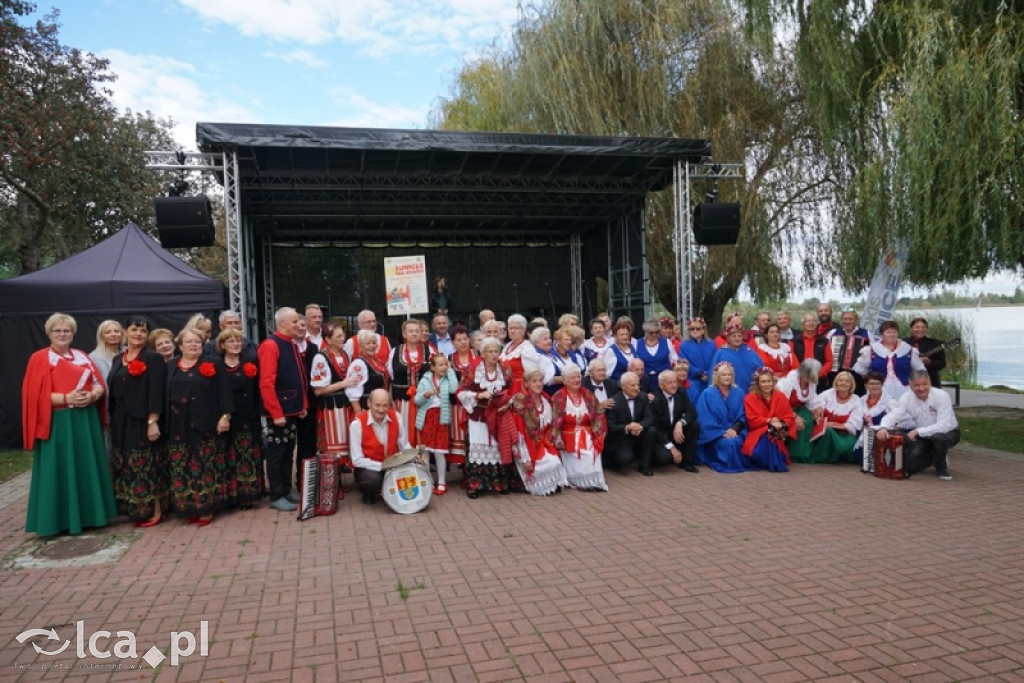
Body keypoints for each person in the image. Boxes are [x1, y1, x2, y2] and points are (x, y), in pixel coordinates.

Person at [22, 313, 116, 536]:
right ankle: (57, 521)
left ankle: (90, 516)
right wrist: (66, 398)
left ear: (73, 333)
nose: (62, 334)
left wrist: (93, 396)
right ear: (49, 333)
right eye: (58, 331)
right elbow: (33, 396)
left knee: (86, 466)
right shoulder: (40, 358)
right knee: (59, 468)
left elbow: (98, 384)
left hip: (85, 422)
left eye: (67, 331)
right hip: (58, 423)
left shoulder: (81, 355)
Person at [166, 328, 234, 526]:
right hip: (178, 424)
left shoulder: (213, 363)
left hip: (205, 421)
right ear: (180, 346)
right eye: (189, 342)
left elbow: (224, 392)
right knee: (182, 465)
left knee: (204, 465)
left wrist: (225, 416)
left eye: (197, 341)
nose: (194, 345)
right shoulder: (171, 365)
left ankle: (206, 507)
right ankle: (188, 506)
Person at [107, 315, 166, 527]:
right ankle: (135, 508)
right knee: (127, 465)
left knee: (146, 465)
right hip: (120, 420)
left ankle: (156, 510)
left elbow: (156, 393)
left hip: (142, 420)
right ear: (125, 332)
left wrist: (153, 421)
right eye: (134, 330)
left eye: (142, 331)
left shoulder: (152, 358)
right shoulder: (118, 359)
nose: (138, 334)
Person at [257, 307, 308, 512]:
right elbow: (266, 383)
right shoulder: (271, 345)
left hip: (292, 409)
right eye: (295, 321)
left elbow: (300, 378)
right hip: (278, 412)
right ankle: (276, 494)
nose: (299, 325)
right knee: (277, 453)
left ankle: (286, 490)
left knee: (288, 452)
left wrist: (302, 405)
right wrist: (276, 413)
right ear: (283, 323)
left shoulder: (291, 344)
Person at [457, 337, 521, 498]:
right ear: (483, 354)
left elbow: (512, 391)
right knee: (478, 447)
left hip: (499, 414)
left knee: (498, 448)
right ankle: (474, 485)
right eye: (490, 352)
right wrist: (479, 395)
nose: (494, 355)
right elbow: (460, 392)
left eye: (496, 351)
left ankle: (499, 483)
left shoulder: (505, 369)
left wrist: (509, 403)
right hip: (479, 414)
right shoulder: (472, 369)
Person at [876, 370, 960, 480]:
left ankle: (941, 466)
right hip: (924, 435)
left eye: (924, 384)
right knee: (911, 467)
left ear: (930, 382)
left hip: (948, 433)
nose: (921, 388)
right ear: (910, 386)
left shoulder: (942, 396)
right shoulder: (906, 397)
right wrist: (883, 427)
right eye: (917, 385)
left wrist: (917, 432)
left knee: (939, 439)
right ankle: (936, 455)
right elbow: (894, 415)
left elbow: (944, 425)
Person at [216, 327, 264, 509]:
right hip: (227, 415)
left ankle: (249, 494)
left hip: (248, 414)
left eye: (238, 341)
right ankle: (231, 494)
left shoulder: (250, 360)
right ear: (222, 345)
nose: (235, 344)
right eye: (230, 341)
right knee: (229, 455)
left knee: (248, 454)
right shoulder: (216, 364)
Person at [509, 368, 569, 495]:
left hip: (544, 443)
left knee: (555, 461)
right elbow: (519, 433)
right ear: (526, 384)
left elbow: (553, 424)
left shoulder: (546, 399)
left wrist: (558, 439)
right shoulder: (520, 402)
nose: (538, 384)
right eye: (534, 381)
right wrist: (525, 459)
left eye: (540, 381)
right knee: (549, 464)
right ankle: (541, 486)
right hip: (526, 446)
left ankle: (551, 485)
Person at [310, 319, 360, 469]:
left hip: (344, 406)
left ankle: (339, 481)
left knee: (345, 444)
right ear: (327, 340)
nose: (342, 338)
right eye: (338, 336)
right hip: (330, 409)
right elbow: (318, 390)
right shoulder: (320, 358)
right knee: (332, 448)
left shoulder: (344, 353)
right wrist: (343, 384)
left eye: (342, 335)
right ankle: (331, 484)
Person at [349, 388, 413, 505]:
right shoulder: (356, 424)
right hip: (369, 468)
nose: (381, 410)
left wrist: (414, 456)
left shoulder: (397, 417)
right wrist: (382, 466)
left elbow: (404, 445)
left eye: (385, 405)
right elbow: (357, 460)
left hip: (392, 464)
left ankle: (389, 487)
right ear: (369, 403)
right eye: (377, 405)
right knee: (373, 479)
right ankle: (368, 491)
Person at [550, 365, 608, 491]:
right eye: (572, 378)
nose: (577, 380)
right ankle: (581, 482)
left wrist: (599, 435)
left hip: (588, 433)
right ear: (565, 381)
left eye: (578, 377)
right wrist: (558, 438)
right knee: (582, 453)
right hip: (568, 436)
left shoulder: (588, 394)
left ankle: (594, 481)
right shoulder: (558, 397)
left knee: (592, 449)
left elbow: (599, 415)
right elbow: (554, 421)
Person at [414, 353, 460, 495]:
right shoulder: (425, 380)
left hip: (441, 419)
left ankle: (441, 482)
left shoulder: (448, 378)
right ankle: (427, 480)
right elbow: (416, 400)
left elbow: (454, 389)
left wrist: (451, 371)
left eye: (446, 364)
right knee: (425, 451)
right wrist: (425, 395)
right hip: (427, 418)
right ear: (432, 367)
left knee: (440, 452)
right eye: (440, 364)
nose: (444, 367)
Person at [695, 362, 748, 473]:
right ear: (717, 377)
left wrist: (735, 429)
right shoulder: (707, 393)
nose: (727, 377)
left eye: (729, 374)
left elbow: (744, 414)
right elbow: (704, 418)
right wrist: (721, 432)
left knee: (736, 441)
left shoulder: (739, 393)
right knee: (728, 444)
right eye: (723, 374)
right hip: (715, 434)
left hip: (736, 430)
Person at [853, 320, 925, 401]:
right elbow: (859, 368)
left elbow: (920, 370)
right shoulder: (871, 350)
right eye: (888, 332)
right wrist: (871, 378)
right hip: (878, 390)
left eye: (894, 332)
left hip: (904, 390)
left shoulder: (908, 350)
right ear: (882, 334)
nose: (892, 334)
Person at [742, 368, 796, 472]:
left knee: (773, 433)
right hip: (757, 432)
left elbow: (788, 416)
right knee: (769, 433)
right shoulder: (750, 398)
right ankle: (774, 463)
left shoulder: (780, 396)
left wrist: (781, 424)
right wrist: (769, 421)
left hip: (779, 430)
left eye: (769, 381)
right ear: (758, 383)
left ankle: (773, 462)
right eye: (763, 381)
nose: (767, 384)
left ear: (773, 382)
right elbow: (752, 420)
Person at [604, 371, 655, 475]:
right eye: (633, 385)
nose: (637, 388)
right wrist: (628, 427)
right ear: (623, 386)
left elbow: (649, 417)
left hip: (639, 434)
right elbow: (611, 427)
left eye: (638, 384)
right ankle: (614, 461)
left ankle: (644, 466)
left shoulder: (643, 397)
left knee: (651, 430)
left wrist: (640, 426)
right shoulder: (614, 402)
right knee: (625, 459)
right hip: (621, 439)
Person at [807, 371, 864, 464]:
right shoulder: (828, 394)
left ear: (851, 384)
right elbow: (815, 405)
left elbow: (853, 425)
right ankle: (820, 457)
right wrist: (818, 410)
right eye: (841, 380)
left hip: (845, 434)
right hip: (825, 431)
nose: (843, 383)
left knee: (842, 448)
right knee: (828, 432)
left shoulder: (856, 400)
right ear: (836, 382)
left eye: (847, 381)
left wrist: (833, 424)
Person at [388, 318, 429, 447]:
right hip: (401, 400)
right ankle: (405, 460)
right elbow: (390, 375)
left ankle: (423, 460)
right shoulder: (395, 351)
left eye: (417, 331)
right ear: (404, 334)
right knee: (403, 428)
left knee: (424, 428)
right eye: (411, 331)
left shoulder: (429, 351)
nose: (415, 333)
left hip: (424, 399)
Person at [650, 369, 700, 472]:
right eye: (670, 383)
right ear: (661, 385)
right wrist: (672, 448)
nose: (674, 385)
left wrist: (680, 422)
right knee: (663, 458)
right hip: (661, 437)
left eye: (675, 382)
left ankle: (687, 462)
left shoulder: (681, 392)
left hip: (676, 433)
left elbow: (692, 412)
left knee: (694, 425)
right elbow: (655, 428)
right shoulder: (655, 399)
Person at [776, 358, 823, 463]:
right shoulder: (788, 382)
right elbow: (781, 403)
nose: (819, 374)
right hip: (785, 409)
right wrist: (795, 416)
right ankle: (795, 454)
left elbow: (812, 400)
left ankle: (804, 453)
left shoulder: (811, 383)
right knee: (799, 423)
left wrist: (817, 409)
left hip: (800, 408)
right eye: (817, 372)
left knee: (810, 421)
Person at [447, 324, 477, 464]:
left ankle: (477, 467)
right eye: (458, 340)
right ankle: (464, 468)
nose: (463, 342)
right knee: (461, 434)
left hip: (478, 403)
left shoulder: (478, 355)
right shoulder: (449, 359)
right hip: (457, 405)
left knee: (477, 435)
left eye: (465, 339)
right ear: (453, 343)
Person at [854, 371, 894, 470]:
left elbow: (901, 421)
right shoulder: (861, 400)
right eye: (871, 384)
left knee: (877, 461)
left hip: (882, 437)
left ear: (882, 384)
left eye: (877, 384)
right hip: (865, 436)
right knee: (860, 459)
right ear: (866, 385)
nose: (874, 386)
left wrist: (886, 429)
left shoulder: (890, 402)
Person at [826, 308, 870, 393]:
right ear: (841, 320)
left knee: (858, 395)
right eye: (845, 319)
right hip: (838, 373)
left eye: (850, 319)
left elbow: (872, 353)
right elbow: (827, 351)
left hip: (858, 374)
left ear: (856, 320)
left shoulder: (866, 334)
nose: (847, 321)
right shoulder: (833, 333)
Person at [345, 329, 388, 413]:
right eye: (368, 344)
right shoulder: (359, 364)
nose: (372, 346)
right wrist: (359, 413)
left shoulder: (377, 361)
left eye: (373, 343)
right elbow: (353, 391)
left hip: (378, 408)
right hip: (366, 409)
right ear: (360, 346)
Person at [711, 324, 762, 393]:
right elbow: (713, 373)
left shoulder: (750, 351)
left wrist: (757, 384)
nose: (737, 338)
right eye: (733, 336)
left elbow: (761, 368)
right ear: (728, 338)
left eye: (739, 336)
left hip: (751, 390)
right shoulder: (721, 353)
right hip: (729, 391)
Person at [499, 314, 544, 392]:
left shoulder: (527, 348)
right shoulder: (507, 346)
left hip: (520, 390)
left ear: (523, 330)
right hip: (505, 388)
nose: (512, 330)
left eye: (516, 328)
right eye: (510, 328)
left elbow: (532, 374)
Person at [791, 313, 833, 389]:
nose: (811, 323)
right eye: (808, 321)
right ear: (803, 324)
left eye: (813, 321)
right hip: (799, 378)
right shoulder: (794, 341)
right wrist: (801, 373)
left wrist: (819, 373)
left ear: (817, 324)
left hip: (819, 379)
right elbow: (792, 359)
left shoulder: (824, 341)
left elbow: (829, 361)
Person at [904, 317, 947, 388]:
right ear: (911, 329)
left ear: (927, 329)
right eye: (917, 327)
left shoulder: (936, 344)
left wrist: (929, 362)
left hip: (931, 381)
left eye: (923, 327)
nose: (920, 330)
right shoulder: (903, 343)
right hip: (907, 380)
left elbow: (942, 364)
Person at [635, 317, 678, 386]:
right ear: (646, 332)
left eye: (657, 332)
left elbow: (674, 361)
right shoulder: (637, 343)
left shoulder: (666, 342)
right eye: (651, 333)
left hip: (665, 381)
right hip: (644, 382)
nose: (654, 335)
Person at [679, 317, 716, 394]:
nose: (695, 331)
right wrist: (700, 373)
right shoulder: (684, 345)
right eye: (692, 329)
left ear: (703, 330)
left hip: (709, 380)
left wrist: (708, 374)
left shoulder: (711, 343)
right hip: (693, 380)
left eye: (698, 328)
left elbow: (715, 361)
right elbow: (684, 363)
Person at [546, 326, 586, 394]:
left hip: (574, 393)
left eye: (570, 340)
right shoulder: (549, 355)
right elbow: (547, 379)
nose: (569, 342)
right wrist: (568, 379)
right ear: (558, 341)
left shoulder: (572, 354)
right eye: (566, 340)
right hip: (556, 393)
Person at [89, 319, 124, 387]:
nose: (113, 334)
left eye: (116, 331)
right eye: (108, 332)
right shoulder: (93, 358)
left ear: (122, 334)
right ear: (101, 336)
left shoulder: (128, 351)